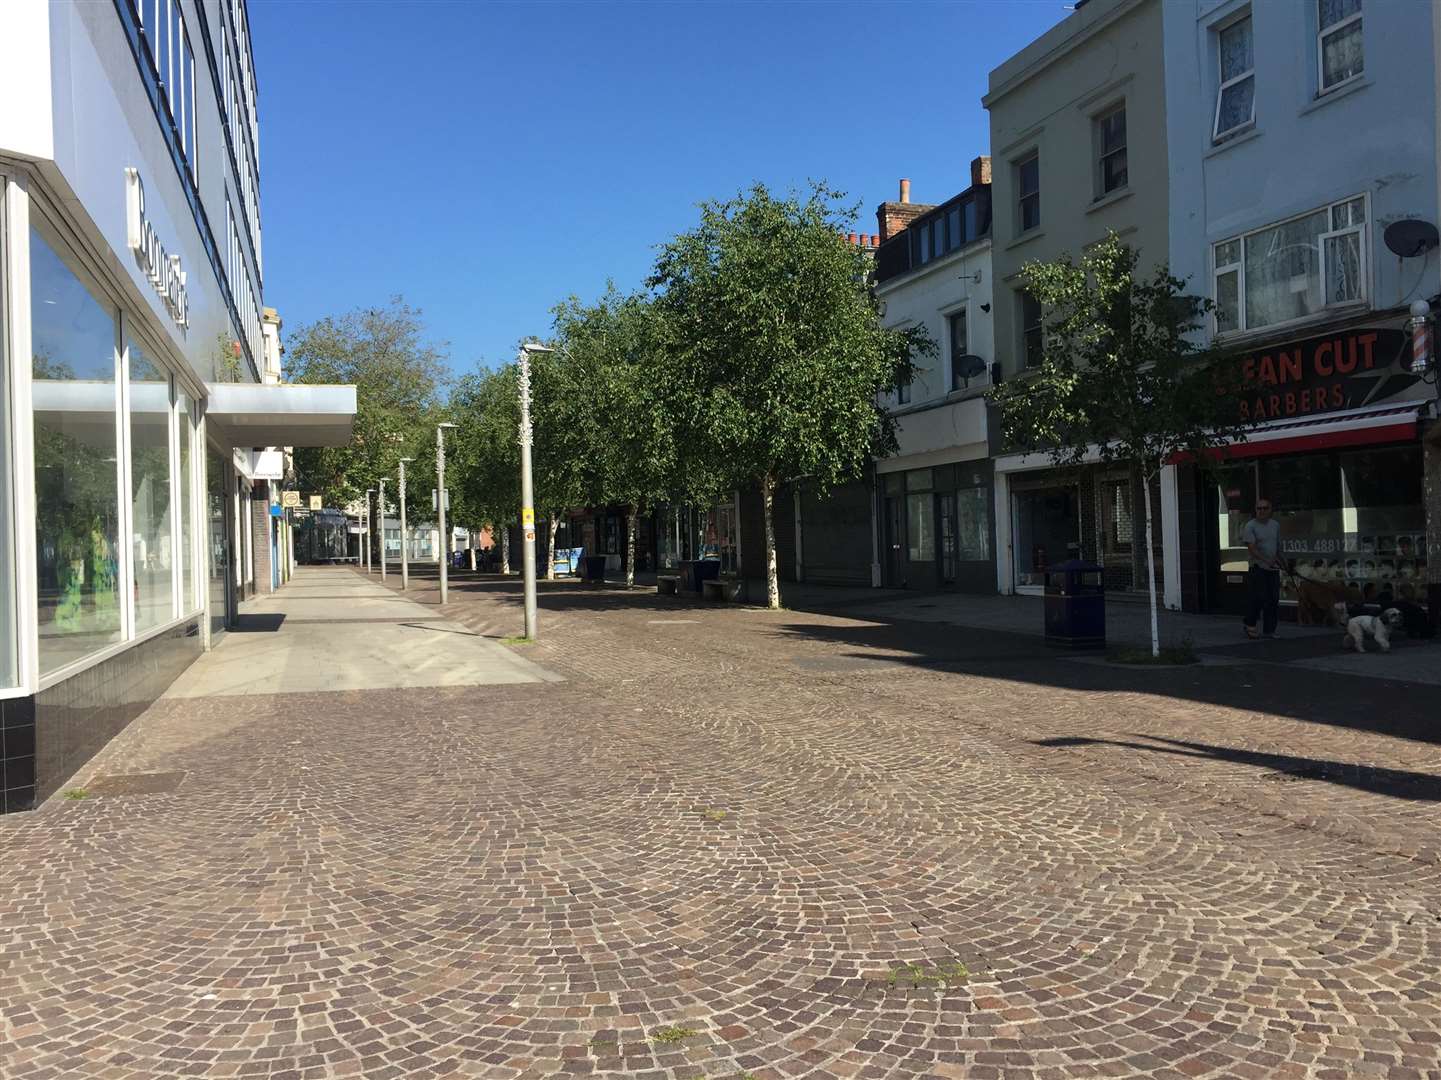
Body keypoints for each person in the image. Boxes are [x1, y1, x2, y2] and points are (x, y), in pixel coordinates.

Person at [1242, 497, 1282, 639]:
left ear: (1270, 510)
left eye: (1265, 508)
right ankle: (1250, 624)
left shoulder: (1275, 525)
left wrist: (1280, 561)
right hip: (1257, 567)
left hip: (1272, 568)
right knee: (1258, 597)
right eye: (1259, 508)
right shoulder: (1250, 526)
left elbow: (1277, 546)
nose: (1262, 511)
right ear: (1255, 510)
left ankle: (1269, 630)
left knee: (1273, 599)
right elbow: (1252, 549)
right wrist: (1267, 561)